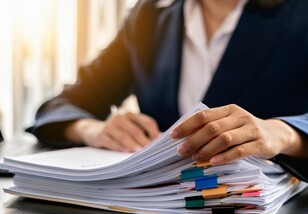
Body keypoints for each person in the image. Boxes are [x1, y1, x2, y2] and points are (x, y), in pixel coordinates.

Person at [27, 0, 308, 180]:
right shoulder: (148, 16)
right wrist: (92, 129)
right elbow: (62, 105)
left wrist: (283, 132)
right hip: (162, 211)